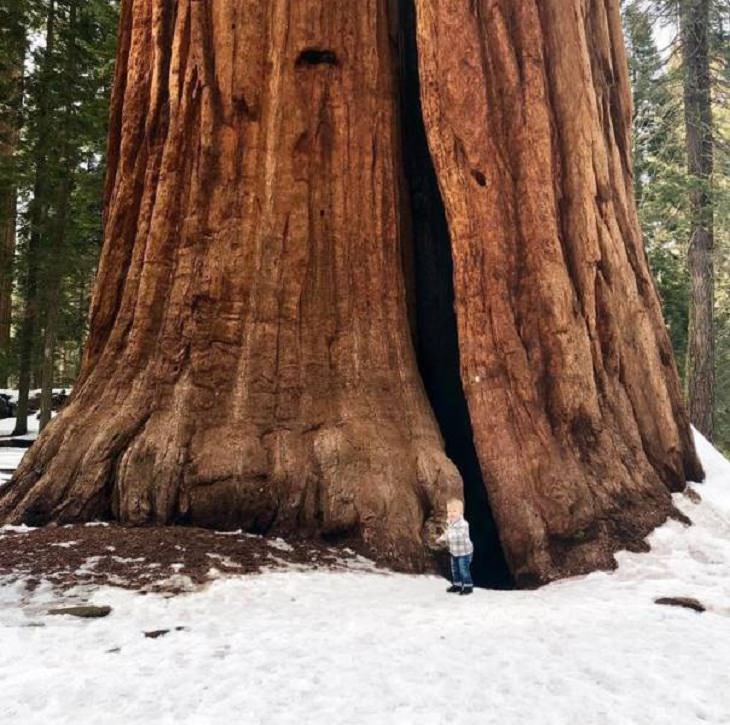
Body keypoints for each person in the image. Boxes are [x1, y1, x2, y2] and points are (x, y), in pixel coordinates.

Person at [436, 498, 474, 595]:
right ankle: (457, 585)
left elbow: (459, 535)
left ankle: (468, 586)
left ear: (460, 512)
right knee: (455, 569)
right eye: (449, 511)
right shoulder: (450, 523)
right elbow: (447, 533)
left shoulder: (463, 524)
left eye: (454, 511)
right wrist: (441, 538)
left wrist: (448, 536)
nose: (451, 513)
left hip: (464, 552)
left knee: (463, 569)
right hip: (454, 551)